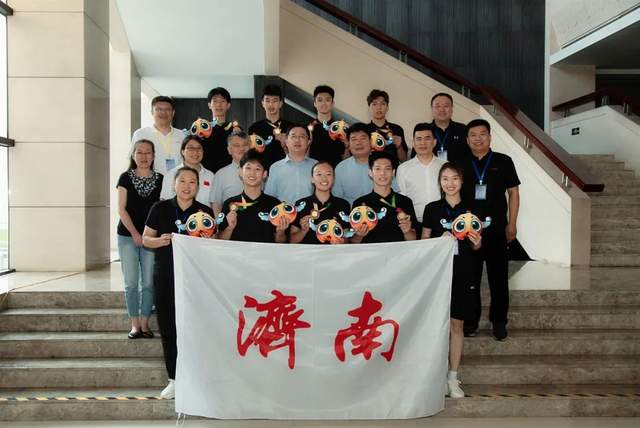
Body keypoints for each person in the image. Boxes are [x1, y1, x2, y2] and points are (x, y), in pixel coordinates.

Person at [143, 166, 214, 399]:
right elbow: (145, 239)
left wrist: (207, 240)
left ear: (198, 186)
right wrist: (160, 241)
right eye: (182, 181)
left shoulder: (204, 212)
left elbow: (212, 245)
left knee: (195, 327)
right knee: (168, 327)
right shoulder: (160, 208)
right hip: (166, 275)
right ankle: (174, 379)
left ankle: (197, 378)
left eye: (192, 182)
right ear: (174, 184)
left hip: (195, 278)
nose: (187, 186)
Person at [422, 162, 482, 399]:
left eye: (455, 178)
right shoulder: (432, 209)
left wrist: (477, 242)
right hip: (437, 273)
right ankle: (433, 375)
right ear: (440, 182)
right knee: (435, 324)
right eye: (445, 178)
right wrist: (439, 239)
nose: (450, 183)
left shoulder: (472, 208)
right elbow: (423, 243)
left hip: (463, 271)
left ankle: (453, 377)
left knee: (457, 324)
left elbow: (478, 245)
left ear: (462, 181)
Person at [461, 119, 520, 340]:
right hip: (469, 231)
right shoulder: (461, 163)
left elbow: (513, 193)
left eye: (482, 134)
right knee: (470, 278)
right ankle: (471, 320)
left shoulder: (503, 161)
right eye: (473, 135)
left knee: (499, 278)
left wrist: (512, 223)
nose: (478, 138)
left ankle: (499, 321)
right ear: (467, 140)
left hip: (497, 230)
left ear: (490, 137)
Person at [116, 139, 163, 339]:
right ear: (133, 155)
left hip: (151, 239)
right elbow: (121, 209)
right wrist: (136, 234)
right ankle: (134, 325)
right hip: (128, 236)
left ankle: (144, 323)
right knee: (131, 282)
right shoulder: (125, 178)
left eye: (148, 152)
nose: (144, 156)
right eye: (139, 152)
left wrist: (148, 237)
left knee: (149, 283)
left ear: (153, 156)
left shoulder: (161, 179)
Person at [218, 150, 288, 243]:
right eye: (248, 168)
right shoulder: (229, 203)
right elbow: (219, 241)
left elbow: (281, 243)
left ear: (264, 174)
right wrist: (230, 228)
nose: (252, 173)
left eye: (257, 169)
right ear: (240, 172)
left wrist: (280, 232)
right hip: (237, 252)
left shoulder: (275, 205)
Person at [351, 151, 418, 243]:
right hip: (370, 251)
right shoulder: (360, 203)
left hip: (399, 251)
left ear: (393, 172)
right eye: (378, 169)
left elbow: (413, 239)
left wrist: (407, 231)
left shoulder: (405, 201)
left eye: (387, 168)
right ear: (370, 173)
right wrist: (359, 235)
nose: (382, 173)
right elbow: (353, 243)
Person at [334, 123, 398, 205]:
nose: (358, 143)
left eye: (363, 138)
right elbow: (337, 200)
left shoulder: (383, 164)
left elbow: (395, 194)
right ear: (348, 144)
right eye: (354, 139)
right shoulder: (340, 168)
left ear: (371, 141)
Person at [290, 161, 351, 244]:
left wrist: (340, 241)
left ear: (334, 179)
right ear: (312, 179)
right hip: (308, 251)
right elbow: (292, 241)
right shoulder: (301, 204)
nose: (324, 178)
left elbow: (347, 239)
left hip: (333, 251)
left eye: (328, 174)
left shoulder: (343, 204)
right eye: (319, 174)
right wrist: (303, 231)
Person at [397, 123, 446, 223]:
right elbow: (401, 199)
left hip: (442, 221)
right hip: (414, 222)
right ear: (413, 143)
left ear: (434, 142)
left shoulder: (445, 166)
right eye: (419, 139)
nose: (423, 143)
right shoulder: (403, 169)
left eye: (427, 138)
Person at [410, 93, 469, 163]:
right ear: (432, 109)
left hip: (458, 169)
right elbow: (414, 158)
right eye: (437, 106)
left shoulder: (462, 129)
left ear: (452, 108)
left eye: (446, 106)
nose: (442, 109)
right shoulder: (424, 131)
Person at [131, 96, 183, 176]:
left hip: (177, 181)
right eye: (159, 109)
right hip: (150, 181)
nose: (163, 113)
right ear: (152, 112)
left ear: (173, 113)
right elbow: (132, 162)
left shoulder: (182, 135)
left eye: (167, 109)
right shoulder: (140, 134)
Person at [264, 124, 316, 204]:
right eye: (293, 136)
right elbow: (269, 197)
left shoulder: (316, 166)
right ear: (286, 141)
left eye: (302, 136)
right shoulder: (276, 167)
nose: (297, 140)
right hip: (283, 211)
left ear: (308, 142)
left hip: (311, 211)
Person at [160, 136, 214, 207]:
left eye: (199, 148)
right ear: (182, 151)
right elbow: (164, 203)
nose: (195, 152)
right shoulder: (171, 174)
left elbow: (214, 203)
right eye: (190, 148)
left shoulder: (210, 176)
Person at [248, 84, 292, 168]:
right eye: (267, 100)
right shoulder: (254, 128)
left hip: (286, 170)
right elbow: (252, 155)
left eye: (275, 101)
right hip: (262, 171)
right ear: (262, 103)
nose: (271, 104)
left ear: (280, 103)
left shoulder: (291, 127)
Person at [201, 87, 239, 173]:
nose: (218, 104)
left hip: (229, 173)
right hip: (206, 174)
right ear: (209, 105)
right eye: (215, 101)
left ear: (228, 105)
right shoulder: (202, 128)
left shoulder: (235, 129)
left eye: (222, 101)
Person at [210, 130, 249, 215]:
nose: (241, 149)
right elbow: (216, 205)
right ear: (229, 150)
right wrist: (220, 223)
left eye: (245, 145)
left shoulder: (260, 171)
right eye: (236, 145)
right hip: (230, 222)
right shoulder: (221, 175)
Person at [307, 85, 346, 168]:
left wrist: (347, 145)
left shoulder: (341, 128)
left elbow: (345, 158)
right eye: (320, 100)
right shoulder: (307, 129)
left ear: (333, 103)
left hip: (336, 172)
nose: (324, 103)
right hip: (314, 172)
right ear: (315, 103)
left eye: (327, 100)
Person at [365, 89, 408, 162]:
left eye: (382, 104)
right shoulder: (364, 130)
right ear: (369, 107)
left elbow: (404, 160)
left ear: (387, 107)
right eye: (374, 104)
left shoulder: (397, 129)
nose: (379, 107)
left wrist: (399, 147)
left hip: (392, 168)